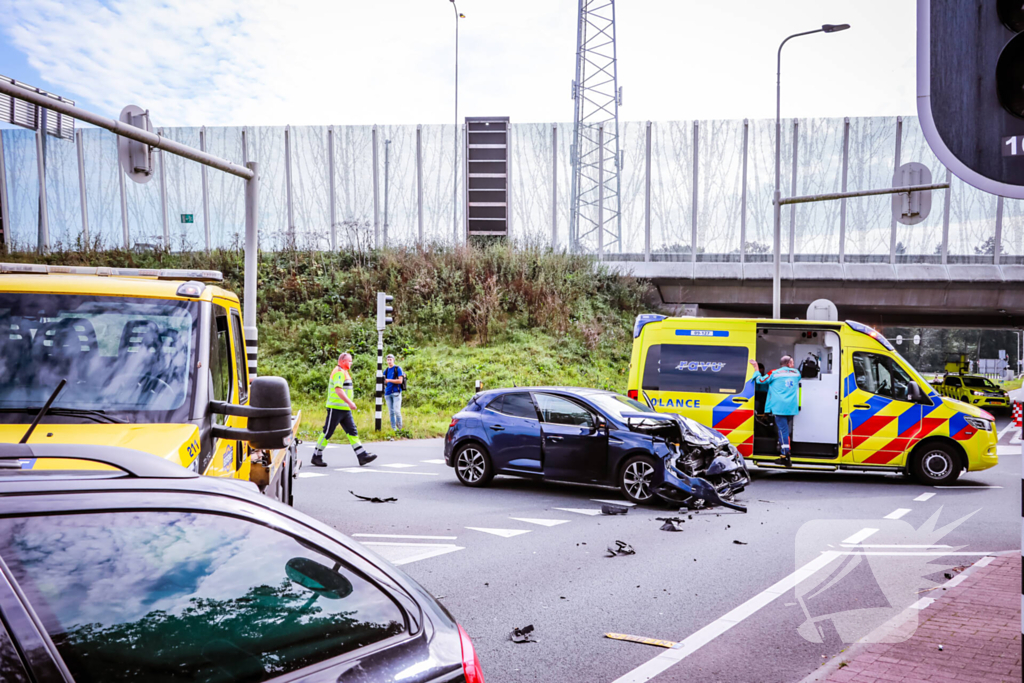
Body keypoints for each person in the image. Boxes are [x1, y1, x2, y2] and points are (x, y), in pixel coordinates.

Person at [311, 353, 377, 468]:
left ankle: (362, 456)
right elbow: (338, 390)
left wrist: (348, 404)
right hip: (336, 408)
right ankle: (316, 456)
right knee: (327, 432)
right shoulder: (339, 372)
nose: (351, 363)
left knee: (352, 432)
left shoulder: (344, 372)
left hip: (344, 409)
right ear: (342, 361)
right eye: (349, 361)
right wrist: (350, 402)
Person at [749, 355, 801, 466]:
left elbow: (760, 380)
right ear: (789, 364)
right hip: (791, 408)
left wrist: (756, 367)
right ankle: (784, 451)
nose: (793, 364)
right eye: (792, 362)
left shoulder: (774, 373)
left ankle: (785, 456)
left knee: (782, 431)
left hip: (779, 407)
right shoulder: (797, 373)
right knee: (785, 430)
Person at [383, 353, 405, 430]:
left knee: (397, 411)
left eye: (390, 359)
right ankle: (393, 429)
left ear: (393, 360)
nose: (389, 361)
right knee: (391, 412)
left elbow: (400, 381)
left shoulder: (397, 369)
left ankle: (400, 428)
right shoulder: (385, 371)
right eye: (388, 360)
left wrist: (389, 380)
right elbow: (383, 381)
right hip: (388, 393)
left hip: (396, 392)